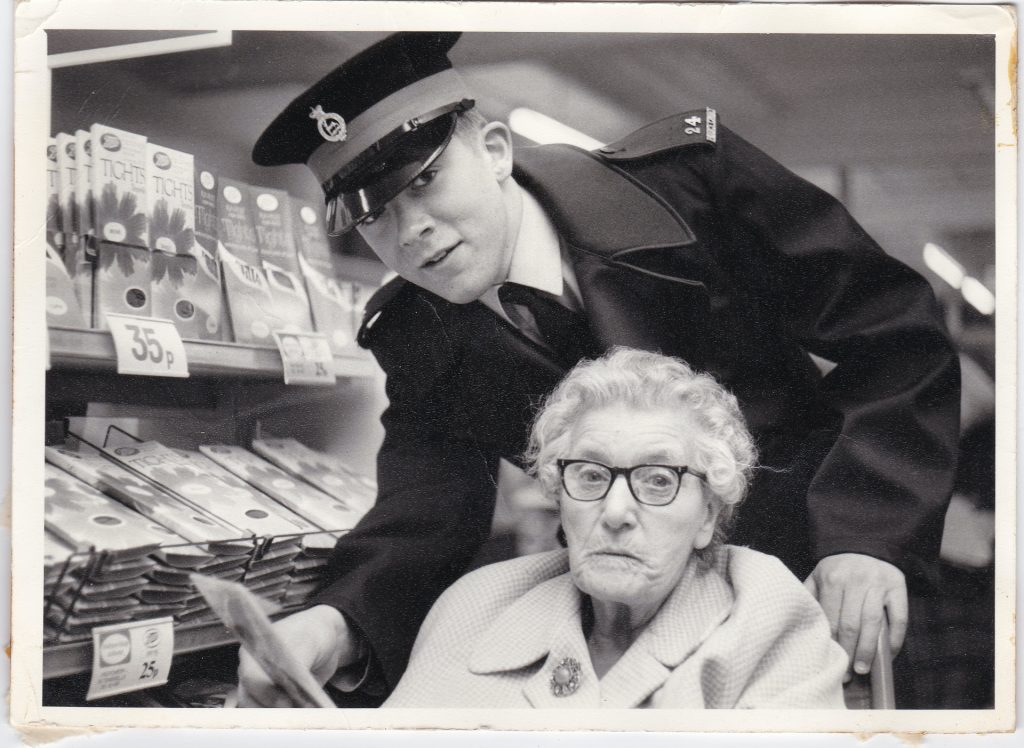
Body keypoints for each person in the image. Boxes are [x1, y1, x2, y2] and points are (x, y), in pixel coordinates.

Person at [238, 32, 960, 706]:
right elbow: (427, 509)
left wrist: (866, 536)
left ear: (494, 149)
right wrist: (336, 622)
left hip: (819, 584)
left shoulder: (690, 188)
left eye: (425, 180)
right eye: (373, 216)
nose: (410, 230)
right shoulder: (416, 330)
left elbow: (892, 333)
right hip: (623, 623)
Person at [383, 348, 848, 708]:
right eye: (590, 475)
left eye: (658, 480)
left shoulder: (765, 615)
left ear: (707, 515)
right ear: (559, 494)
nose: (615, 511)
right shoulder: (478, 603)